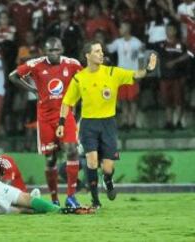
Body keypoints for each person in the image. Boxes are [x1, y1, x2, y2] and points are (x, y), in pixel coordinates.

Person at [57, 40, 157, 208]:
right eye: (97, 51)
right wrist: (61, 123)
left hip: (108, 124)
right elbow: (67, 102)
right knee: (92, 162)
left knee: (108, 168)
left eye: (101, 50)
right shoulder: (79, 78)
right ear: (87, 55)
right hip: (88, 125)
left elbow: (135, 75)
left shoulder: (112, 73)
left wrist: (147, 69)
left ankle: (108, 180)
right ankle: (95, 201)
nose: (101, 53)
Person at [9, 37, 83, 208]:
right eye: (51, 50)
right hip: (45, 118)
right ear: (44, 51)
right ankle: (55, 198)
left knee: (72, 150)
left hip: (65, 115)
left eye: (57, 50)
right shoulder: (35, 64)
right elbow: (13, 76)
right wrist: (33, 90)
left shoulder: (72, 64)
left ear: (62, 49)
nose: (54, 53)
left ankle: (71, 197)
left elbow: (84, 82)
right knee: (51, 158)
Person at [107, 21, 143, 130]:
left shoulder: (137, 42)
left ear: (127, 28)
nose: (120, 30)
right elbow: (108, 49)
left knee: (132, 100)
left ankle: (132, 122)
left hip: (133, 75)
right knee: (123, 100)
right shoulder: (118, 42)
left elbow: (141, 59)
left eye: (121, 28)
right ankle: (125, 122)